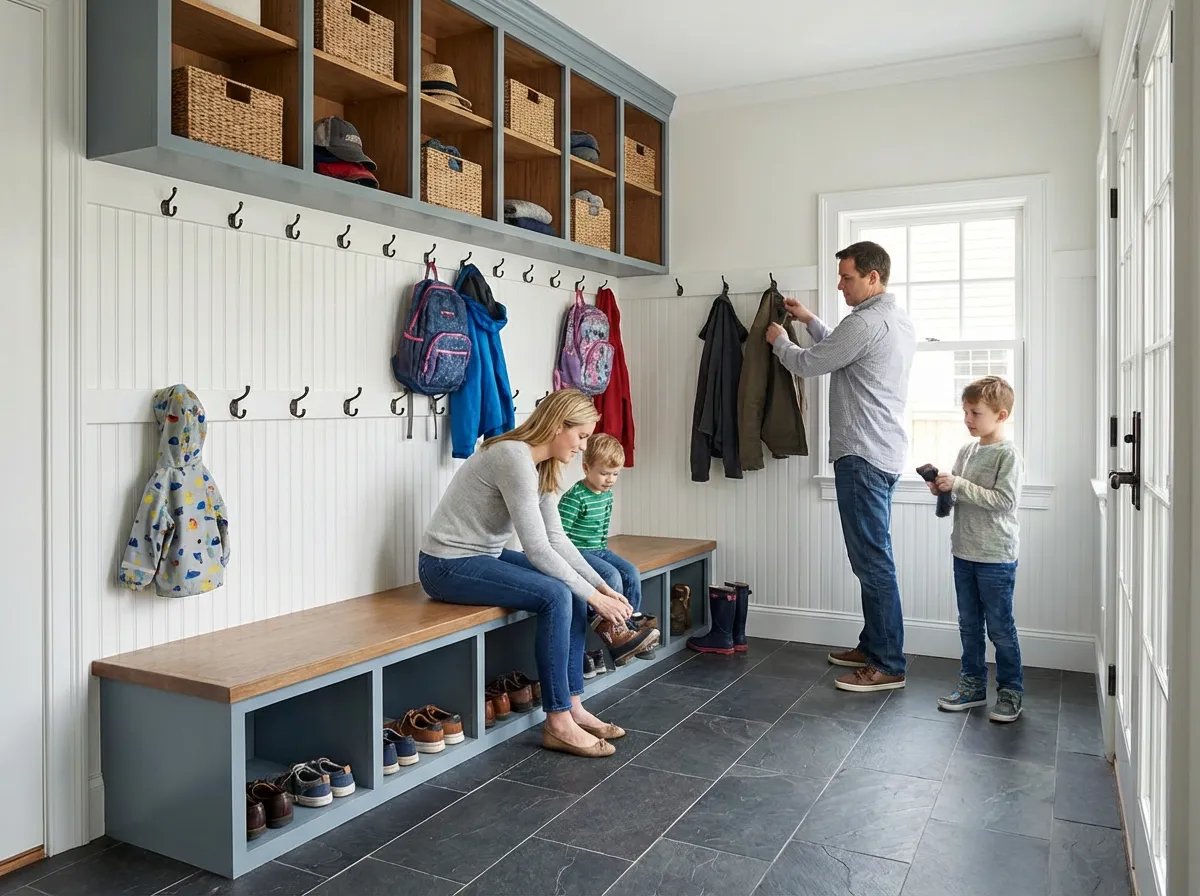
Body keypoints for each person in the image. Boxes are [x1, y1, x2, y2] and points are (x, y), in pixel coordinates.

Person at [417, 388, 634, 758]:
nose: (583, 446)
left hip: (486, 555)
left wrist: (598, 587)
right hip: (445, 565)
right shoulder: (512, 457)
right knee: (558, 593)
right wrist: (592, 594)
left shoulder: (542, 464)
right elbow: (536, 549)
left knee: (572, 588)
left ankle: (574, 703)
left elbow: (557, 540)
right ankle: (558, 721)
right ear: (556, 426)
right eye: (580, 436)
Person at [765, 241, 916, 693]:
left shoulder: (865, 321)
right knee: (873, 557)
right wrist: (810, 321)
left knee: (872, 562)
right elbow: (842, 349)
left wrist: (780, 341)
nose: (840, 283)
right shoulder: (894, 319)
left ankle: (887, 663)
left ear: (873, 277)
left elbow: (812, 364)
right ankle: (873, 646)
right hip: (883, 452)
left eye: (847, 277)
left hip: (863, 455)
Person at [930, 376, 1025, 722]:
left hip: (996, 557)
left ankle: (1011, 692)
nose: (968, 419)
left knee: (1000, 628)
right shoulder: (967, 451)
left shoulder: (1008, 455)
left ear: (1000, 415)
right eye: (966, 412)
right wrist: (943, 489)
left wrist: (960, 485)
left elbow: (1004, 501)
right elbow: (957, 498)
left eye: (976, 412)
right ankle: (971, 687)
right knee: (969, 624)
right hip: (964, 552)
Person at [558, 433, 659, 667]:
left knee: (631, 572)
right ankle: (614, 633)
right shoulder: (575, 497)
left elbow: (603, 530)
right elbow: (559, 536)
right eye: (604, 473)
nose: (610, 479)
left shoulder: (607, 494)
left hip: (600, 549)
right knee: (611, 576)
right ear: (586, 467)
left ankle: (629, 626)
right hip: (579, 552)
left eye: (615, 474)